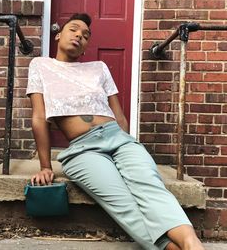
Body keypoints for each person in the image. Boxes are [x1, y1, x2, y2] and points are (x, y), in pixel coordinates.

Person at [25, 13, 204, 250]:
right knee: (123, 202)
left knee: (150, 186)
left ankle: (193, 245)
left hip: (118, 139)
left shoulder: (98, 68)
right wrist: (46, 166)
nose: (80, 35)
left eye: (86, 35)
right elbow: (39, 117)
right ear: (58, 35)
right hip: (82, 150)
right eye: (74, 29)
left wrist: (127, 143)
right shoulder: (40, 65)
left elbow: (118, 115)